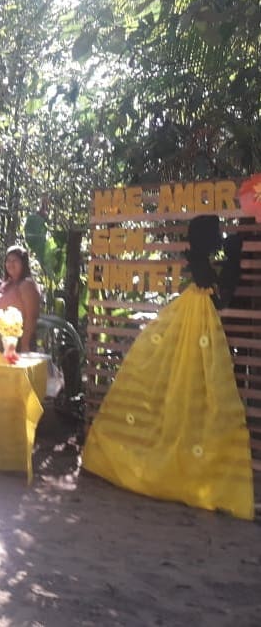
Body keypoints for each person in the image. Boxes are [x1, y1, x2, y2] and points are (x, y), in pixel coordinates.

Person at [83, 215, 253, 520]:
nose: (220, 238)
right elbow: (220, 297)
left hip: (195, 332)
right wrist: (233, 259)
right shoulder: (201, 268)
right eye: (215, 235)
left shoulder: (198, 263)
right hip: (196, 334)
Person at [0, 245, 40, 351]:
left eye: (15, 260)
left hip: (19, 341)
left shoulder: (27, 284)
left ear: (23, 263)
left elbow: (32, 317)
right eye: (8, 260)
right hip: (0, 339)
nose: (11, 264)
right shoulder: (6, 283)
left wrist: (25, 345)